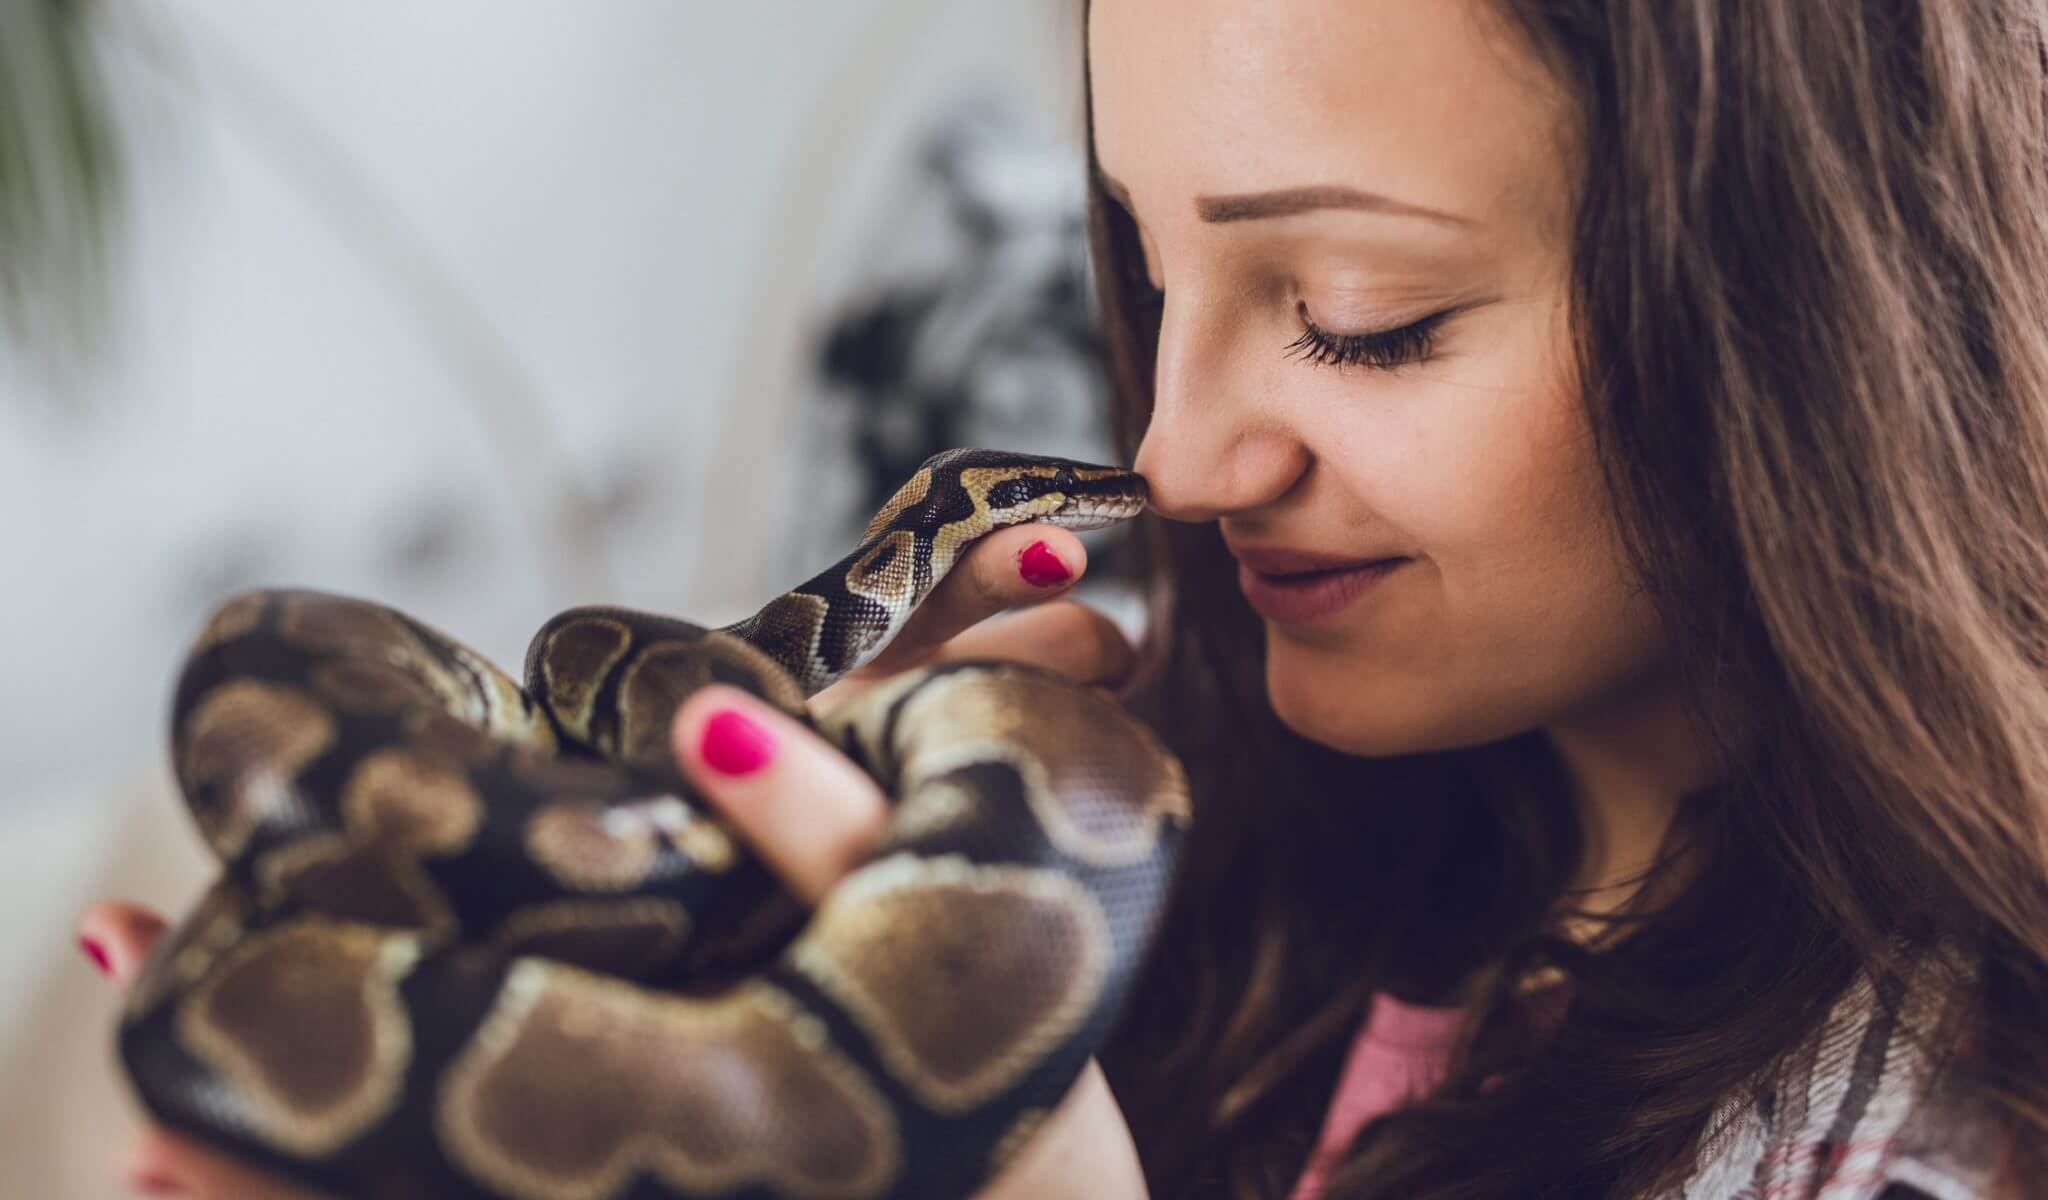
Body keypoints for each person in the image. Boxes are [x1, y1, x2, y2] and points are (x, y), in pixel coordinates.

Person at [76, 0, 2048, 1195]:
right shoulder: (1239, 807)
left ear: (1809, 320)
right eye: (1141, 266)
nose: (1174, 460)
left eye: (1362, 320)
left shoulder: (1918, 1143)